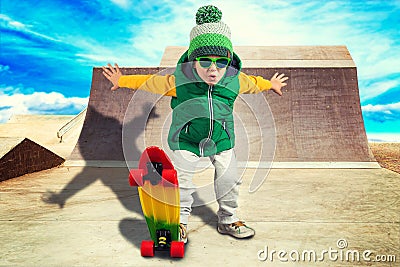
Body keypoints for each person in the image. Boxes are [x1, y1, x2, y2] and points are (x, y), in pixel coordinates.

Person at [102, 5, 288, 243]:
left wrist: (270, 84)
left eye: (221, 62)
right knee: (183, 182)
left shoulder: (234, 80)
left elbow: (253, 83)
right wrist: (123, 80)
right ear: (193, 61)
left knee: (229, 178)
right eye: (205, 61)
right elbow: (148, 83)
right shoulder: (178, 81)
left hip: (222, 140)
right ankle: (180, 223)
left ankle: (228, 219)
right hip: (186, 140)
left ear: (229, 62)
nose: (213, 69)